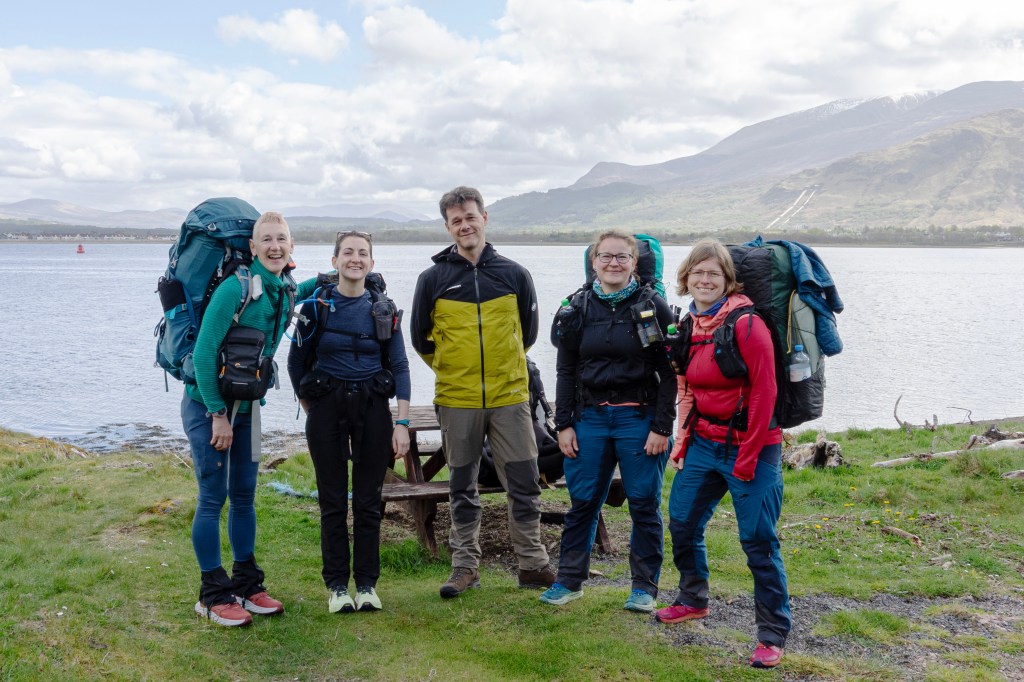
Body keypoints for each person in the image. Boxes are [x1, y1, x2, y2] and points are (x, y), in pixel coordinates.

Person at [410, 186, 555, 598]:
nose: (465, 225)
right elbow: (421, 340)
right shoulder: (433, 279)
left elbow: (526, 335)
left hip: (511, 398)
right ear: (448, 226)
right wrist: (456, 373)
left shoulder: (514, 274)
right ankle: (465, 567)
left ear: (484, 218)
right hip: (457, 400)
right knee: (462, 487)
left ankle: (533, 563)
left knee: (525, 483)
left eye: (470, 216)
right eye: (456, 220)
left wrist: (502, 373)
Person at [656, 237, 791, 669]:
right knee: (682, 522)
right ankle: (693, 599)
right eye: (698, 273)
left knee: (758, 541)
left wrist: (749, 456)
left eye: (714, 273)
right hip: (704, 444)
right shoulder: (691, 325)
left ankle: (772, 634)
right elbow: (687, 389)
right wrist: (683, 440)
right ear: (686, 279)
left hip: (754, 447)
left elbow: (765, 391)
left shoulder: (747, 325)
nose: (705, 279)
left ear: (728, 280)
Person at [183, 211, 318, 627]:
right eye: (267, 240)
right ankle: (211, 594)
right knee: (212, 498)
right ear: (253, 247)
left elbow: (308, 286)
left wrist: (348, 267)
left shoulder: (285, 289)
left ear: (292, 246)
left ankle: (246, 583)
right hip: (211, 408)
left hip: (250, 409)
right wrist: (217, 415)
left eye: (282, 239)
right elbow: (205, 355)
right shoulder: (233, 290)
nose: (275, 246)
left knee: (244, 495)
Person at [539, 229, 675, 612]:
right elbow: (565, 370)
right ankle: (569, 581)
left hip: (639, 419)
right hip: (590, 420)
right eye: (605, 256)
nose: (613, 263)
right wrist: (563, 424)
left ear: (634, 262)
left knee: (644, 504)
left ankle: (644, 588)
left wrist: (662, 427)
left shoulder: (653, 306)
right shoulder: (575, 308)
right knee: (582, 502)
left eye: (622, 257)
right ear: (594, 261)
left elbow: (670, 372)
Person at [287, 230, 411, 614]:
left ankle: (368, 585)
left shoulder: (383, 309)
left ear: (371, 264)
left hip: (373, 409)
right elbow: (295, 364)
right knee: (333, 501)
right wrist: (312, 408)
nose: (355, 259)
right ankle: (338, 587)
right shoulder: (314, 307)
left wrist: (402, 423)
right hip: (327, 408)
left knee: (370, 501)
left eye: (363, 254)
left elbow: (401, 367)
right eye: (348, 253)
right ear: (335, 261)